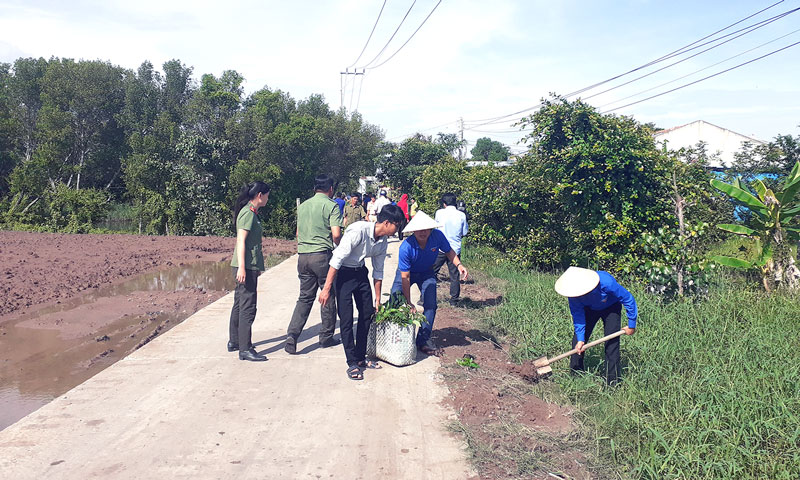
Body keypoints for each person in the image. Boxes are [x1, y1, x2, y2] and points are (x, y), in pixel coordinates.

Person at [318, 205, 405, 380]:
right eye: (397, 225)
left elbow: (378, 270)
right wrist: (326, 289)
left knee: (367, 314)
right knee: (347, 318)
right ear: (387, 223)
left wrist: (378, 299)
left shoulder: (382, 241)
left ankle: (360, 358)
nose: (398, 229)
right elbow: (337, 259)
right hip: (342, 273)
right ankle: (351, 362)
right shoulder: (358, 230)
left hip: (360, 272)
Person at [391, 211, 468, 356]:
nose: (423, 232)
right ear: (413, 230)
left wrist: (459, 265)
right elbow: (405, 277)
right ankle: (391, 333)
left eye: (426, 229)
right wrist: (408, 302)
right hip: (407, 272)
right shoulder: (406, 247)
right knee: (394, 300)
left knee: (431, 304)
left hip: (427, 272)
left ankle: (423, 340)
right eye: (419, 229)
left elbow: (449, 251)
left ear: (431, 229)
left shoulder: (437, 237)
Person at [285, 174, 344, 354]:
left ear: (314, 188)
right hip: (321, 256)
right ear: (331, 189)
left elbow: (297, 233)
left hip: (303, 257)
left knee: (304, 297)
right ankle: (326, 337)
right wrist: (341, 247)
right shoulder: (331, 205)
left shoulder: (302, 207)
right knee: (328, 294)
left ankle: (292, 336)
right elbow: (335, 234)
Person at [554, 266, 637, 386]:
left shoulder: (606, 282)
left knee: (611, 343)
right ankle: (576, 376)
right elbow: (578, 316)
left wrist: (631, 325)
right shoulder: (573, 296)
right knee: (577, 342)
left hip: (611, 308)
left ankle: (612, 383)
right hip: (590, 309)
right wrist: (581, 339)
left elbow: (628, 298)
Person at [228, 181, 271, 362]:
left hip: (246, 265)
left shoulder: (250, 212)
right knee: (247, 307)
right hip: (245, 266)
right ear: (260, 195)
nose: (268, 198)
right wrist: (244, 268)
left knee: (239, 303)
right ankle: (245, 349)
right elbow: (241, 241)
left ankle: (235, 341)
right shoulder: (248, 214)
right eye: (267, 195)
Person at [433, 193, 469, 305]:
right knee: (454, 275)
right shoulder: (462, 215)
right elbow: (464, 232)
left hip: (439, 248)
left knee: (431, 273)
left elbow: (435, 228)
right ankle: (454, 300)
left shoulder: (439, 213)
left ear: (444, 203)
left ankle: (424, 297)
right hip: (454, 250)